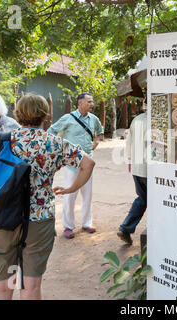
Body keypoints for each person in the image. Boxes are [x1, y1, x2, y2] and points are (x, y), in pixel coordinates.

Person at [0, 93, 95, 300]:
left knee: (3, 287)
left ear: (18, 114)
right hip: (39, 222)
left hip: (1, 220)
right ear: (45, 117)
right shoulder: (55, 143)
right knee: (30, 287)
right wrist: (70, 189)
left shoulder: (3, 140)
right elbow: (88, 164)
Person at [48, 92, 103, 239]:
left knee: (87, 195)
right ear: (80, 103)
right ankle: (68, 226)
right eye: (89, 102)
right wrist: (58, 150)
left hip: (88, 164)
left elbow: (99, 132)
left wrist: (96, 142)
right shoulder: (68, 118)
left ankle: (87, 223)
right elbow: (51, 131)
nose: (92, 104)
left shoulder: (94, 119)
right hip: (72, 164)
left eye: (92, 102)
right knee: (70, 195)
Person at [117, 108, 147, 245]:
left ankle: (126, 229)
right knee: (155, 202)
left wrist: (129, 160)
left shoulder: (137, 119)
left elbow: (128, 142)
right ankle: (156, 234)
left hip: (137, 167)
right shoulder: (159, 120)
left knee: (142, 199)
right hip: (151, 170)